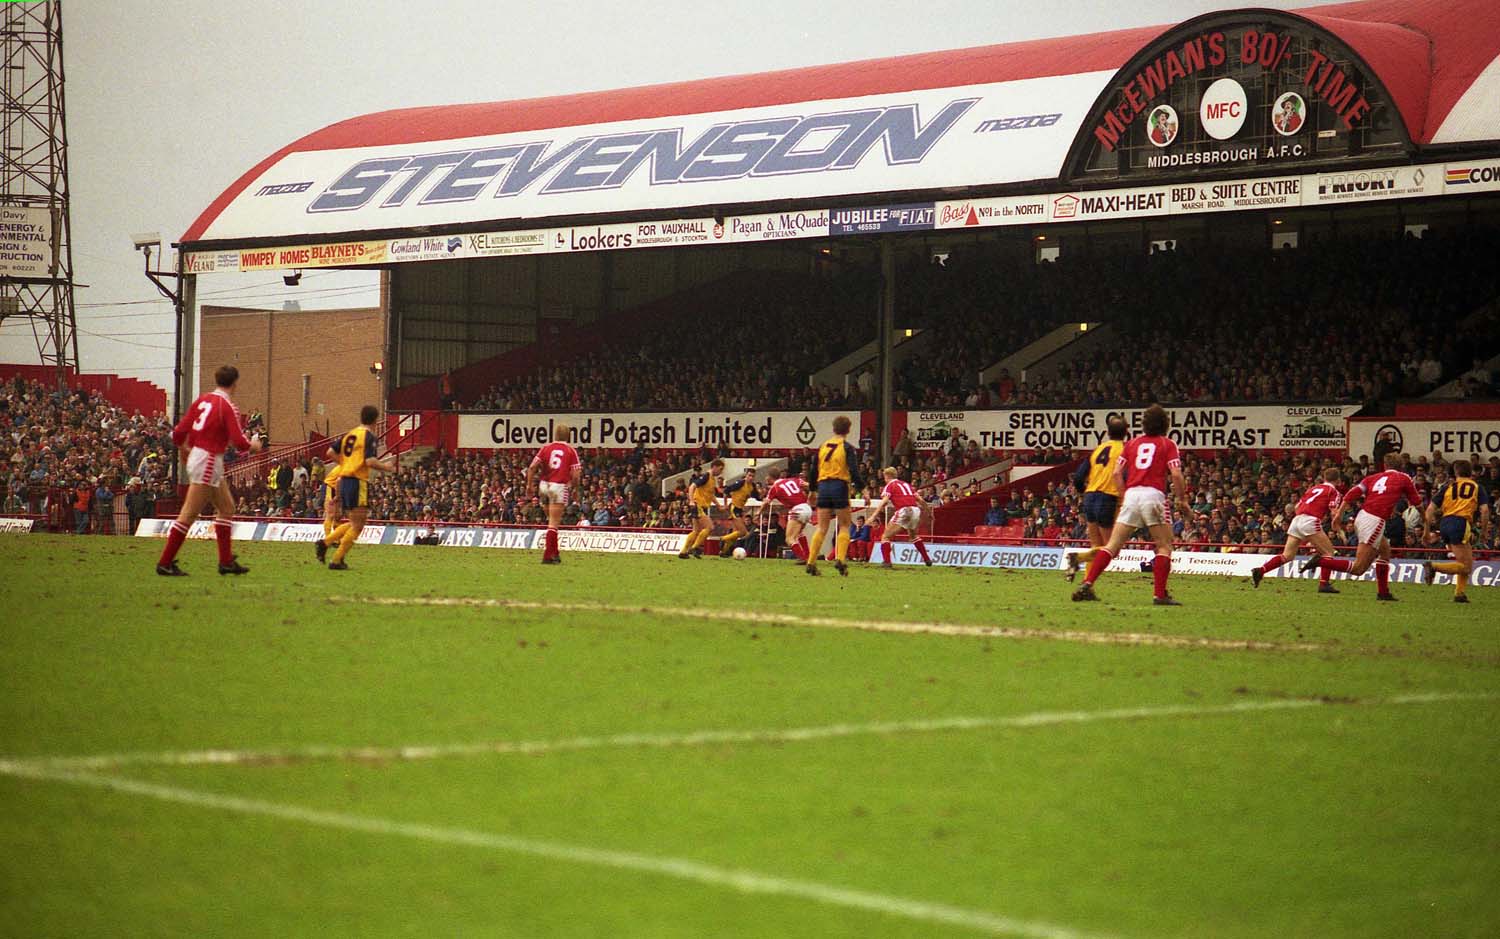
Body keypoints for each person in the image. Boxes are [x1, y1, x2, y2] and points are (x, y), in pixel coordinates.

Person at [1072, 404, 1188, 605]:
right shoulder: (1168, 444)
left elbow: (1117, 473)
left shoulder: (1132, 444)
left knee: (1112, 546)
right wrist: (1182, 499)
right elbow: (1176, 474)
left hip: (1131, 495)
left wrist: (1125, 495)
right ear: (1165, 424)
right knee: (1164, 545)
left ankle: (1088, 583)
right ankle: (1159, 595)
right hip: (1153, 495)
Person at [156, 365, 263, 576]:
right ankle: (165, 562)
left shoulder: (202, 400)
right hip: (209, 459)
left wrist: (183, 449)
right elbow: (239, 442)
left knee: (227, 507)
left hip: (201, 456)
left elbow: (178, 432)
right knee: (189, 513)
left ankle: (225, 562)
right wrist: (254, 445)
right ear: (235, 384)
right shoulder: (227, 406)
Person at [1314, 453, 1420, 600]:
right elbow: (1417, 501)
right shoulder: (1403, 478)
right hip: (1374, 520)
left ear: (1385, 465)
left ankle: (1383, 593)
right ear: (1400, 465)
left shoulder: (1372, 478)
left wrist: (1339, 513)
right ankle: (1321, 561)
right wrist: (1426, 519)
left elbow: (1352, 493)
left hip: (1363, 516)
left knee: (1385, 552)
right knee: (1359, 568)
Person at [317, 405, 398, 570]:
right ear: (375, 419)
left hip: (344, 480)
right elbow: (370, 462)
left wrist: (345, 464)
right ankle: (336, 559)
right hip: (357, 482)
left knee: (355, 522)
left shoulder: (350, 434)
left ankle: (326, 544)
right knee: (358, 525)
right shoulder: (369, 436)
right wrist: (387, 467)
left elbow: (330, 452)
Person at [1251, 468, 1343, 589]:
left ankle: (1261, 571)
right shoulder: (1333, 491)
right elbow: (1334, 512)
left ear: (1324, 478)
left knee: (1287, 556)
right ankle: (1324, 584)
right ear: (1338, 480)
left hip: (1297, 520)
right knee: (1328, 552)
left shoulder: (1313, 488)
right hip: (1310, 520)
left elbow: (1297, 506)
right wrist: (1339, 529)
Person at [1065, 415, 1128, 581]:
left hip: (1090, 497)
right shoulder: (1125, 450)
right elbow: (1125, 476)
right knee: (1111, 550)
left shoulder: (1098, 449)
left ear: (1108, 432)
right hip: (1108, 498)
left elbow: (1078, 477)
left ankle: (1087, 583)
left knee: (1097, 546)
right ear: (1126, 432)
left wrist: (1083, 492)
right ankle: (1078, 558)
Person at [1423, 459, 1492, 603]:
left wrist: (1426, 531)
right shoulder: (1477, 487)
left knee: (1465, 561)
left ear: (1455, 472)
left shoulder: (1447, 487)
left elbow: (1430, 509)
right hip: (1460, 522)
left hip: (1445, 522)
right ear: (1470, 472)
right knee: (1466, 566)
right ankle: (1433, 566)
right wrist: (1484, 531)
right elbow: (1484, 510)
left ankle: (1459, 593)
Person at [804, 415, 863, 577]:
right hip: (839, 486)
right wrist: (863, 489)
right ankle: (841, 559)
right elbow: (854, 470)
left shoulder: (823, 446)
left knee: (822, 527)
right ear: (848, 429)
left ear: (833, 428)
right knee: (844, 525)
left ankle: (811, 562)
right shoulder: (847, 447)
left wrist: (812, 490)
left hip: (823, 487)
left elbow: (813, 470)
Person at [524, 423, 581, 564]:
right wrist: (574, 488)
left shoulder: (545, 448)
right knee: (554, 523)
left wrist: (529, 485)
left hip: (544, 486)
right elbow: (576, 475)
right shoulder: (570, 451)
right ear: (568, 436)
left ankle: (555, 553)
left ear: (555, 435)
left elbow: (532, 468)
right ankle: (547, 556)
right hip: (559, 486)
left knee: (551, 520)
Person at [864, 466, 933, 566]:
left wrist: (873, 516)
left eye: (884, 477)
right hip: (915, 510)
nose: (884, 479)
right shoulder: (906, 485)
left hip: (904, 510)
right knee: (913, 536)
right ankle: (927, 559)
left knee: (885, 537)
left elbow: (884, 501)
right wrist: (929, 513)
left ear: (887, 476)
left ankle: (887, 562)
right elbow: (921, 500)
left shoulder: (890, 485)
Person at [763, 467, 812, 560]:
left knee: (789, 539)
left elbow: (766, 502)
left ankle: (802, 558)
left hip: (797, 510)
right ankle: (808, 556)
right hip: (807, 508)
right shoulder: (794, 480)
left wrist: (759, 512)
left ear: (769, 477)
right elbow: (809, 485)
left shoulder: (775, 487)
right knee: (799, 533)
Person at [678, 459, 722, 559]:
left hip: (701, 506)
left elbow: (711, 495)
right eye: (720, 469)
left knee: (696, 531)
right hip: (698, 505)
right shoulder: (706, 476)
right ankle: (694, 547)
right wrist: (691, 500)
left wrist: (719, 505)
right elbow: (692, 487)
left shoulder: (712, 480)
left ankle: (683, 552)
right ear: (714, 467)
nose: (721, 472)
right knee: (710, 527)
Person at [718, 466, 758, 558]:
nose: (751, 478)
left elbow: (754, 496)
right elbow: (726, 491)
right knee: (743, 532)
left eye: (752, 476)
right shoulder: (740, 483)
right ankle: (723, 539)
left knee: (737, 533)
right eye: (749, 475)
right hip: (734, 508)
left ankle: (723, 552)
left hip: (739, 509)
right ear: (746, 475)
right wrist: (725, 504)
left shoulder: (752, 486)